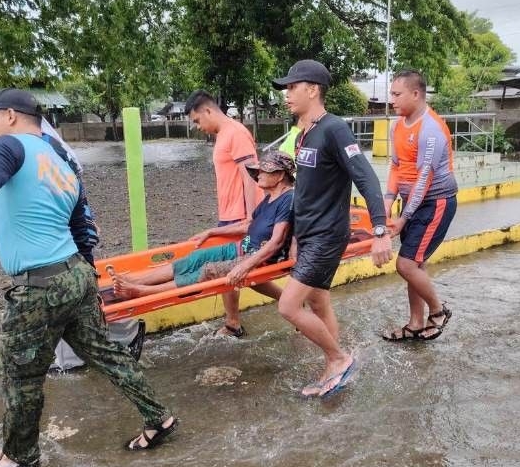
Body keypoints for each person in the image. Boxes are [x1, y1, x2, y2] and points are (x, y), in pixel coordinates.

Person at [0, 89, 177, 467]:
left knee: (22, 376)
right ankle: (159, 416)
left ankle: (18, 456)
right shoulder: (61, 158)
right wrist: (88, 279)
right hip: (75, 274)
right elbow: (82, 226)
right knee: (107, 354)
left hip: (38, 288)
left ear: (10, 115)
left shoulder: (9, 147)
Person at [272, 59, 393, 398]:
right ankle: (335, 367)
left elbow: (365, 176)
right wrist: (294, 236)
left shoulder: (334, 128)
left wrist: (379, 231)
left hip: (327, 235)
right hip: (309, 234)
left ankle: (338, 358)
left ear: (312, 89)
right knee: (319, 303)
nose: (286, 94)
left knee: (288, 306)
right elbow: (306, 190)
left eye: (292, 87)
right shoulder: (303, 132)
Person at [112, 150, 295, 336]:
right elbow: (249, 224)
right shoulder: (270, 197)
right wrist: (211, 231)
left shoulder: (288, 199)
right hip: (242, 248)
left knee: (208, 270)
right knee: (197, 257)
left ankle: (142, 292)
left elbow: (277, 240)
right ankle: (136, 280)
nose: (259, 175)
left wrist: (245, 266)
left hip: (260, 259)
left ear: (280, 175)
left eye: (264, 172)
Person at [381, 70, 458, 341]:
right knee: (415, 265)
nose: (392, 100)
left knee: (406, 265)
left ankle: (438, 311)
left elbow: (424, 180)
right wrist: (388, 200)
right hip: (411, 202)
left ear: (416, 94)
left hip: (434, 203)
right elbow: (396, 165)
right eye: (392, 94)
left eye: (396, 94)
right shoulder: (398, 125)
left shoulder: (431, 130)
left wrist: (403, 218)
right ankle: (415, 323)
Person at [184, 89, 266, 336]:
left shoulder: (236, 133)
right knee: (228, 269)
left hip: (241, 215)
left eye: (197, 121)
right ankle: (233, 322)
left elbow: (251, 176)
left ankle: (288, 302)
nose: (198, 127)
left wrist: (251, 217)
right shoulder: (223, 135)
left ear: (208, 110)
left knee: (240, 270)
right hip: (229, 212)